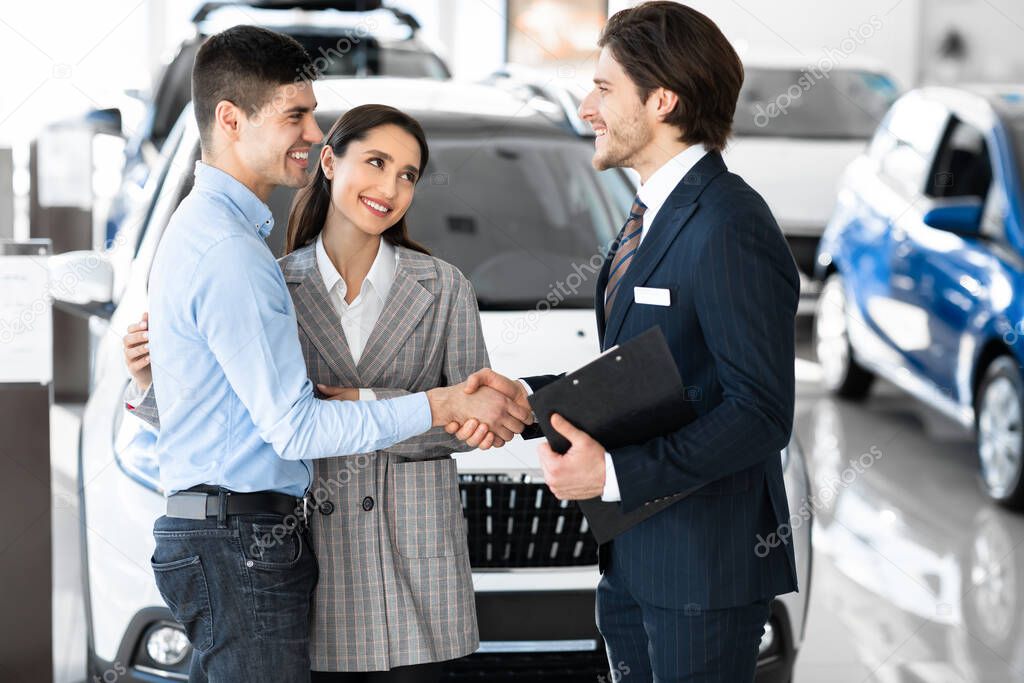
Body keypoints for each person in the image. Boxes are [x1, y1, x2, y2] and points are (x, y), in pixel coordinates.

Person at [126, 26, 527, 682]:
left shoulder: (222, 238)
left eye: (409, 175)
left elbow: (229, 407)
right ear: (231, 119)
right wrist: (438, 402)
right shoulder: (246, 260)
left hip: (333, 557)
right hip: (250, 544)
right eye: (297, 115)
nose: (311, 133)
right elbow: (294, 426)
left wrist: (163, 372)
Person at [447, 3, 800, 680]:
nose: (586, 108)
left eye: (604, 88)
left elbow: (760, 411)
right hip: (637, 561)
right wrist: (531, 402)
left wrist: (614, 475)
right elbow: (646, 372)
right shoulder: (651, 211)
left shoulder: (728, 223)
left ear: (663, 100)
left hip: (702, 576)